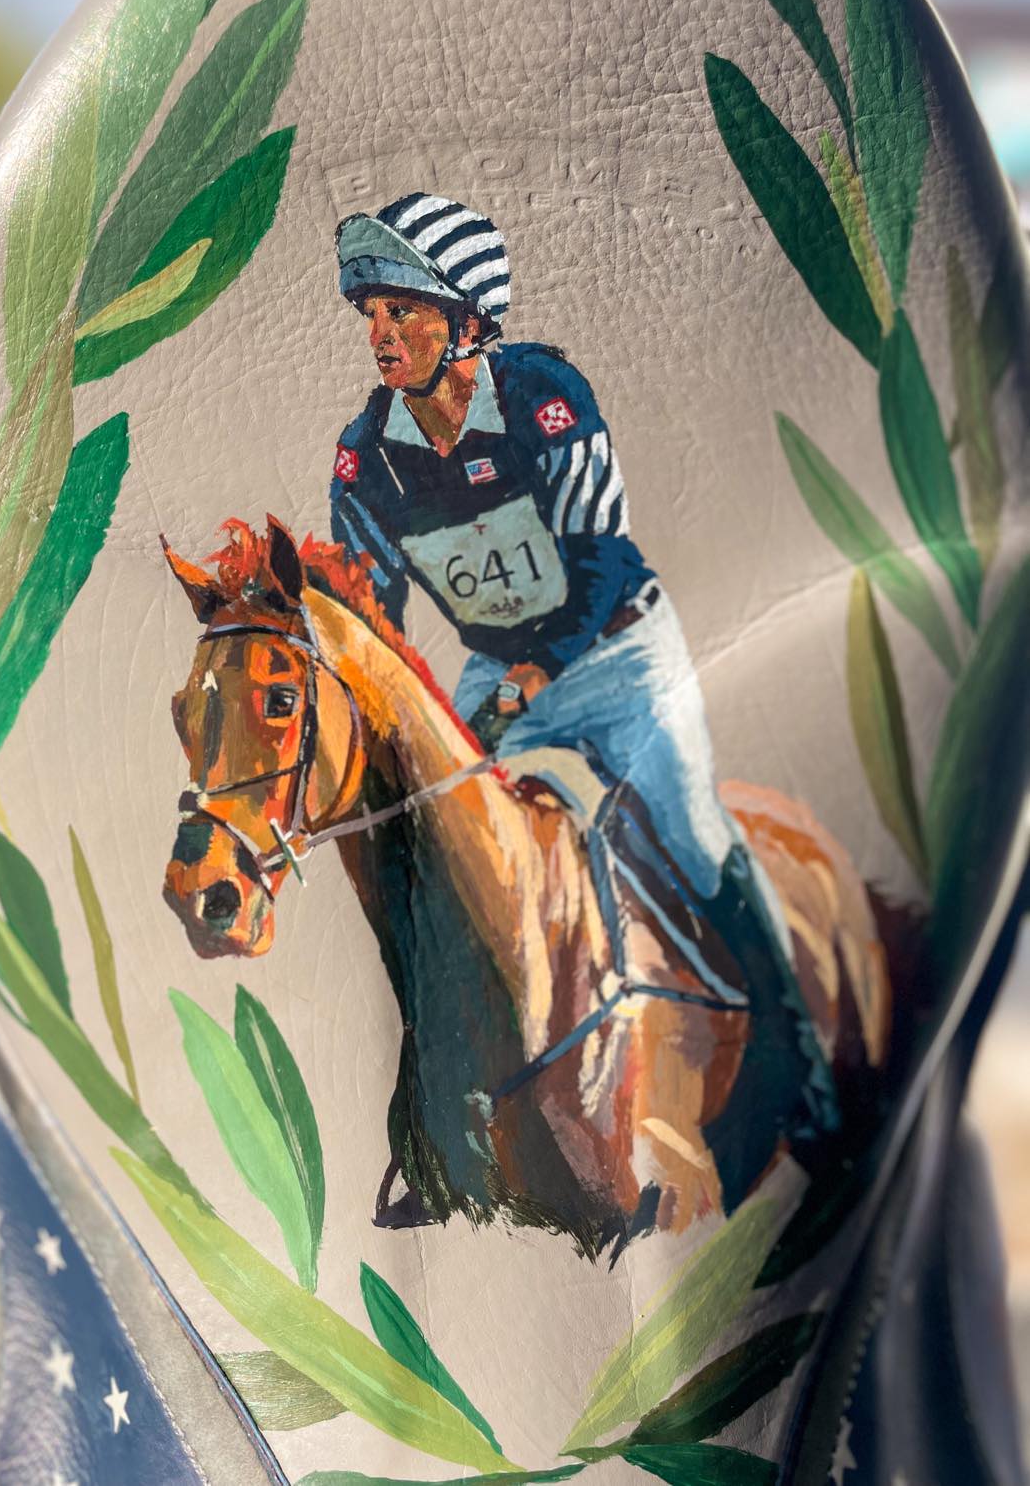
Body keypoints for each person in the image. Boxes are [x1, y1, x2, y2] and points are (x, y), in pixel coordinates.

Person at [329, 192, 839, 1200]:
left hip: (617, 655)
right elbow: (370, 611)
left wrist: (531, 677)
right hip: (494, 669)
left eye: (405, 311)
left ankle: (801, 1073)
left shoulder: (544, 392)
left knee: (693, 839)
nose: (382, 334)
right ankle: (441, 1125)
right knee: (451, 871)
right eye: (372, 314)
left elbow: (599, 554)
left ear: (468, 321)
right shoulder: (364, 452)